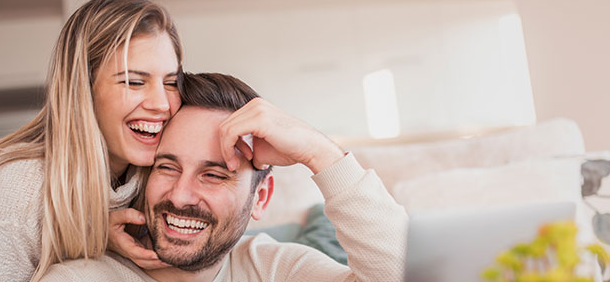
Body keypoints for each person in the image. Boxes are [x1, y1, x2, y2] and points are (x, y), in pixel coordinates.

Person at [0, 0, 181, 282]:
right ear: (84, 88)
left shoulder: (142, 175)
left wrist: (96, 234)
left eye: (171, 82)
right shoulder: (20, 189)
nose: (162, 104)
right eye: (134, 81)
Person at [40, 73, 408, 282]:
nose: (181, 195)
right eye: (166, 167)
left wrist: (320, 152)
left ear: (261, 199)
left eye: (214, 175)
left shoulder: (277, 269)